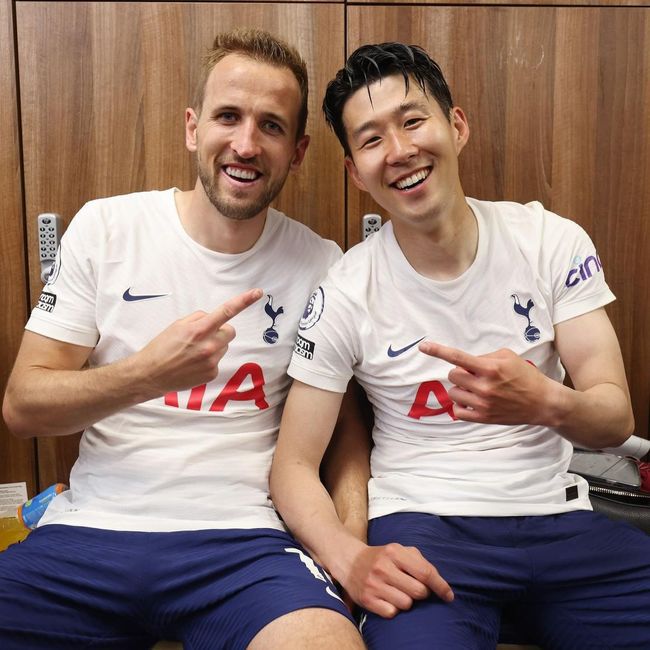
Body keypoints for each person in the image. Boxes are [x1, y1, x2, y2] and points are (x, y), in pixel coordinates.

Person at [270, 41, 650, 649]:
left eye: (412, 120)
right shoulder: (344, 290)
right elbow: (292, 466)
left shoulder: (550, 241)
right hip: (423, 530)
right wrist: (348, 557)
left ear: (457, 125)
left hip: (559, 519)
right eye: (371, 139)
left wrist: (543, 401)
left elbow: (615, 417)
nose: (400, 151)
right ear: (355, 172)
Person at [0, 29, 364, 650]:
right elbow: (22, 408)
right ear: (193, 128)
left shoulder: (322, 264)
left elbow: (346, 435)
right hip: (90, 533)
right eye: (228, 116)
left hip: (247, 546)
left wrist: (349, 550)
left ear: (298, 151)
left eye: (271, 126)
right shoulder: (107, 228)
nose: (245, 144)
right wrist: (147, 373)